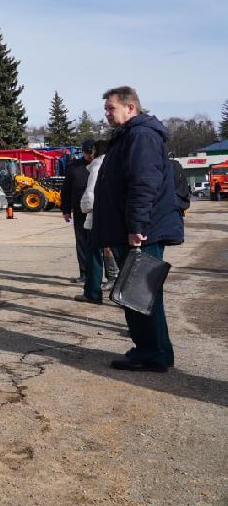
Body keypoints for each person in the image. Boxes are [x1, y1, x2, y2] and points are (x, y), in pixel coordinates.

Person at [91, 86, 184, 372]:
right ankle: (154, 350)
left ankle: (152, 353)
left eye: (111, 108)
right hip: (134, 229)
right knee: (140, 294)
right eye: (106, 109)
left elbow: (144, 184)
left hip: (141, 232)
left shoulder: (141, 135)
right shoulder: (130, 135)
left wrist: (137, 227)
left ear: (131, 107)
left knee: (141, 294)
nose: (106, 114)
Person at [76, 139, 112, 303]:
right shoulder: (114, 164)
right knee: (118, 256)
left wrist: (85, 208)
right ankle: (126, 295)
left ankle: (92, 293)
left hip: (97, 218)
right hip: (112, 216)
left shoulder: (97, 166)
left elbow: (90, 194)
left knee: (94, 256)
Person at [61, 140, 94, 285]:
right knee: (82, 242)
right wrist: (66, 210)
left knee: (101, 244)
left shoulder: (102, 165)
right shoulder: (74, 167)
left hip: (98, 210)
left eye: (91, 152)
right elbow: (66, 190)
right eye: (87, 152)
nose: (89, 155)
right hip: (80, 211)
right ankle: (85, 273)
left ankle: (109, 276)